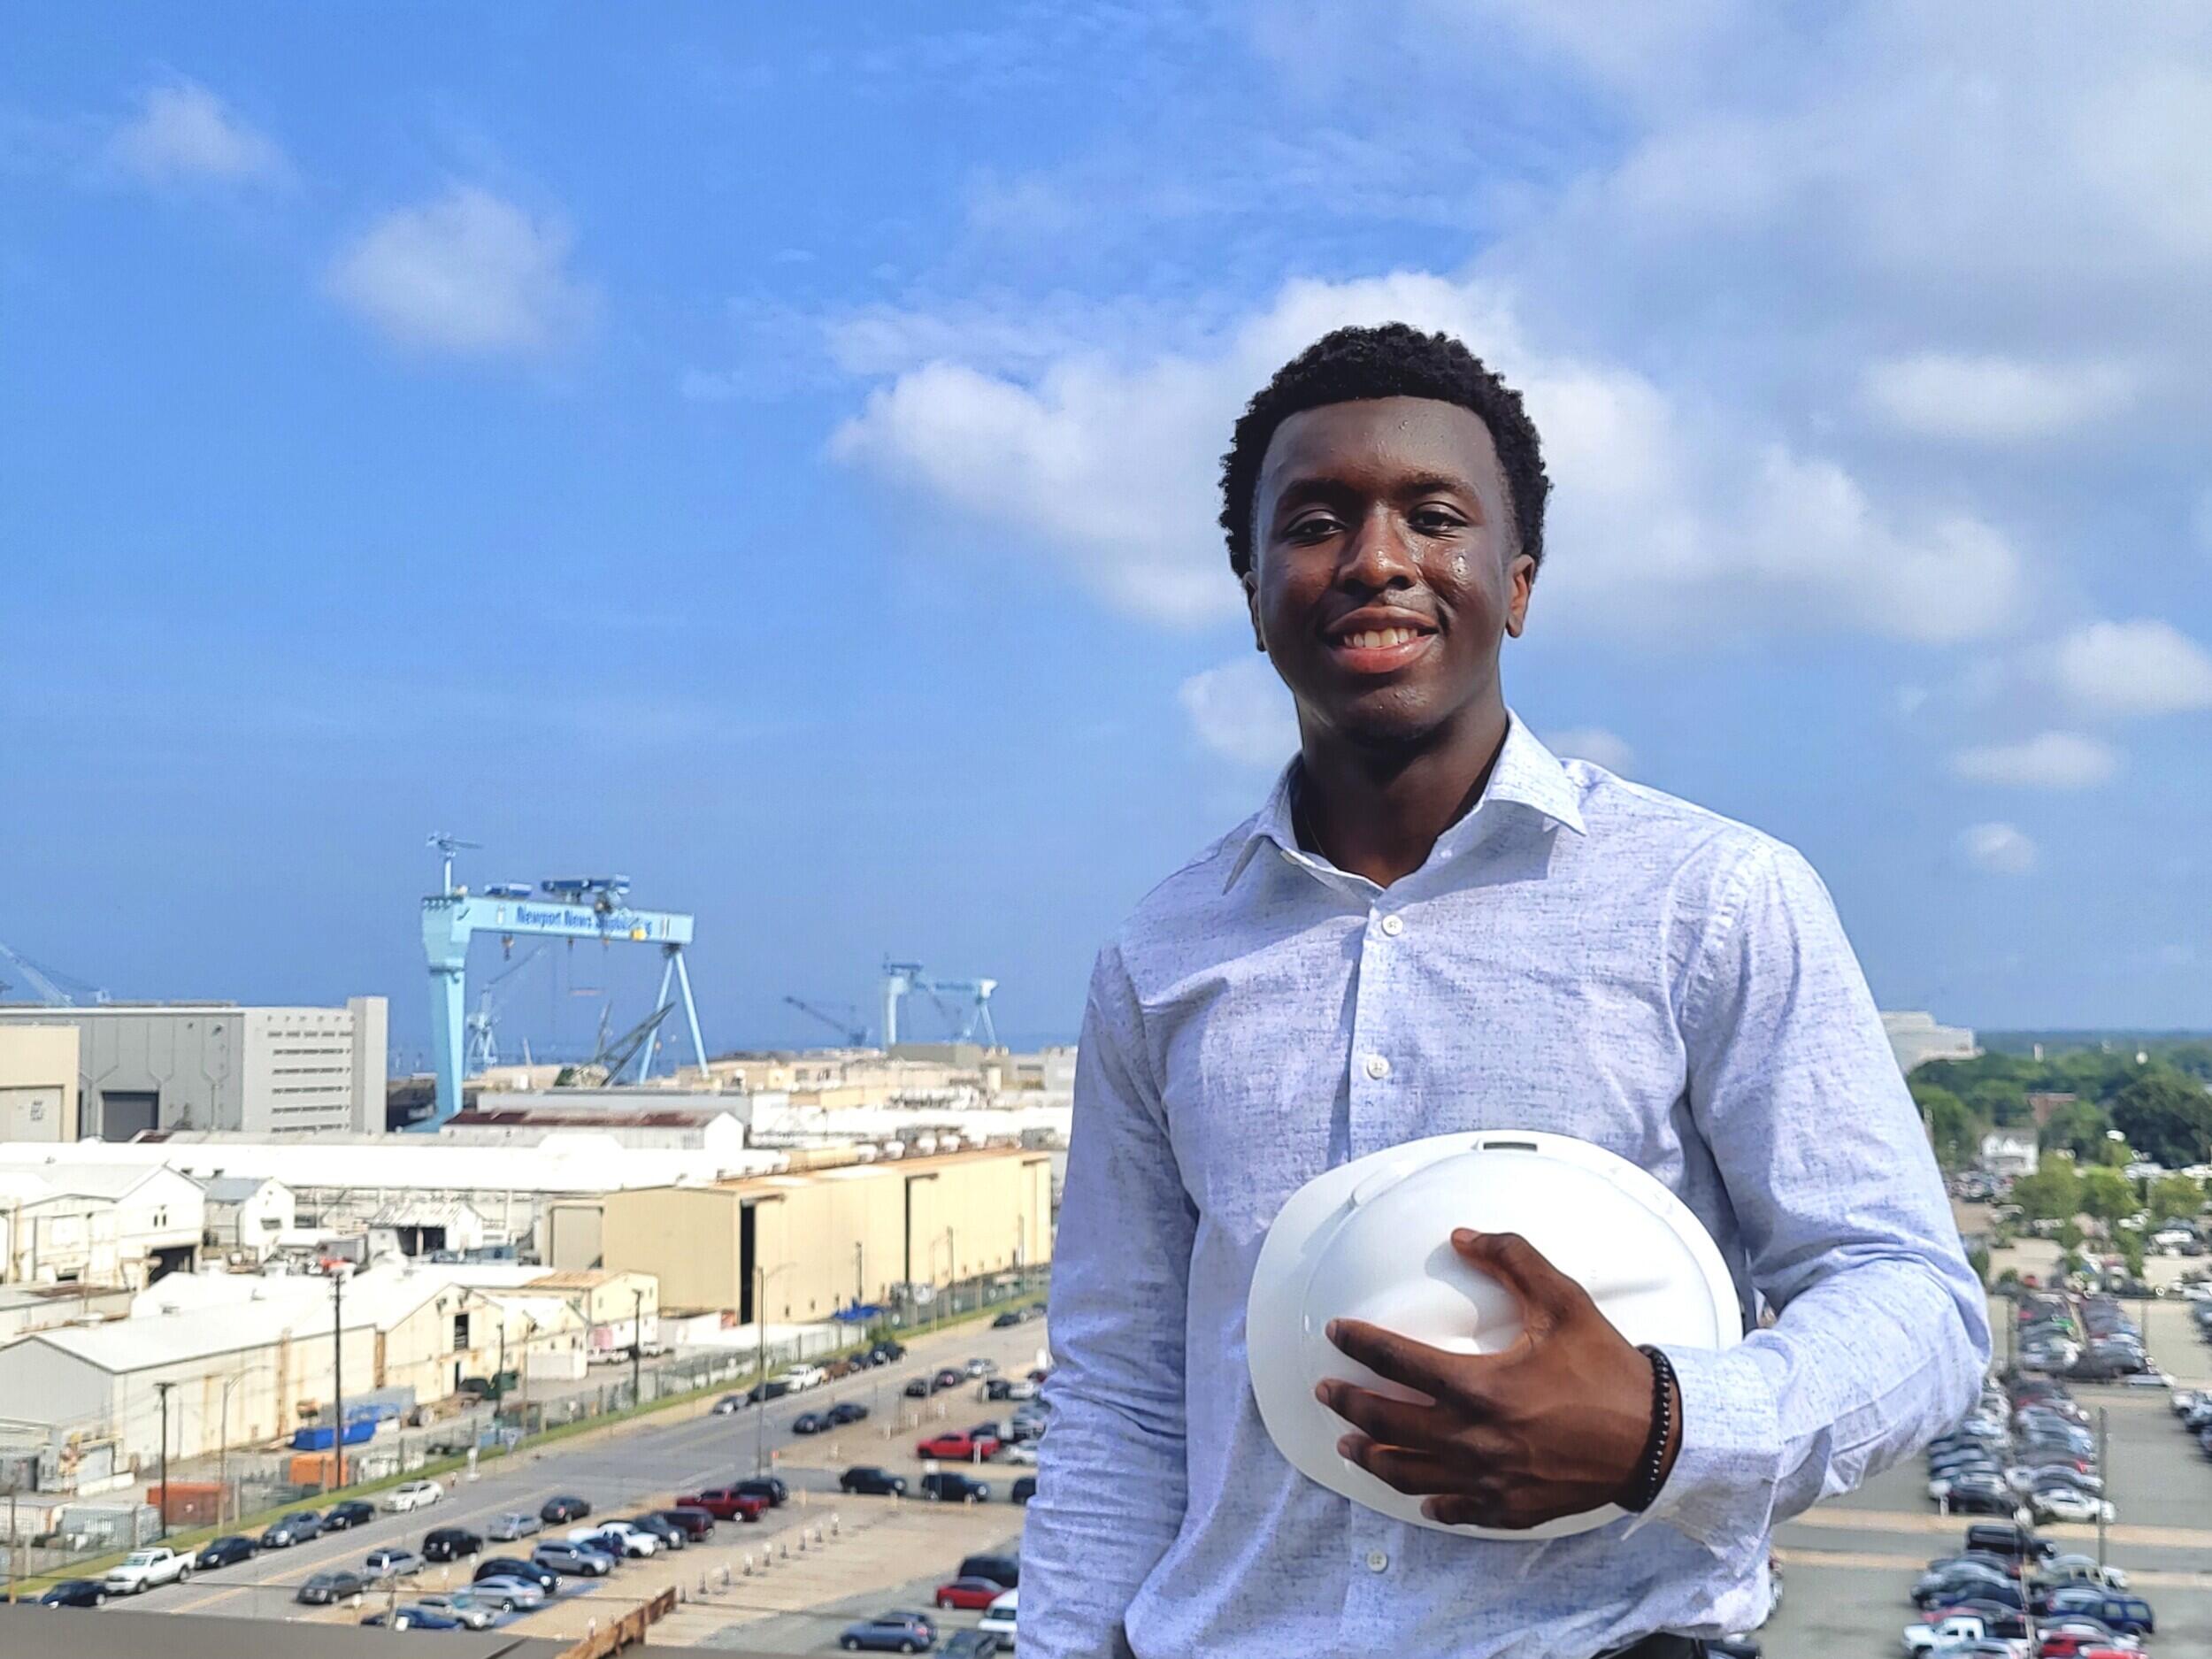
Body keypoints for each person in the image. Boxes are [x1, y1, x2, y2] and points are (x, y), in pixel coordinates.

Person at [1024, 324, 1990, 1659]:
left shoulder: (1712, 897)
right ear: (1252, 591)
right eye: (1313, 522)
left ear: (1518, 580)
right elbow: (1120, 1392)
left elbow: (1910, 1296)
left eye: (1433, 515)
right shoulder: (1163, 953)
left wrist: (1661, 1428)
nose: (1375, 560)